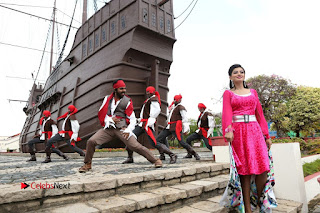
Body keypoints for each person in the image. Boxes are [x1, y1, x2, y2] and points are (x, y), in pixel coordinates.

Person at [220, 64, 276, 212]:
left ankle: (258, 200)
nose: (239, 74)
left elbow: (260, 115)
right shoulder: (228, 94)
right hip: (238, 133)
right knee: (244, 171)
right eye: (236, 72)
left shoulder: (253, 92)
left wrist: (267, 135)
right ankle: (247, 209)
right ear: (230, 77)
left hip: (255, 130)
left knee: (263, 168)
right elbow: (227, 114)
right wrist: (228, 130)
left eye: (242, 72)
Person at [78, 79, 162, 173]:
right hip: (109, 128)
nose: (124, 91)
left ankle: (155, 160)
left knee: (135, 146)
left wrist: (129, 130)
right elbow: (102, 113)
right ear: (115, 89)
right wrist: (109, 120)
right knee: (91, 141)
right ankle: (87, 164)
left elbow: (132, 119)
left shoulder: (127, 101)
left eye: (125, 89)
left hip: (122, 129)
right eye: (121, 89)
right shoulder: (107, 99)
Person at [122, 86, 177, 164]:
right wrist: (140, 119)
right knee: (130, 138)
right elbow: (144, 113)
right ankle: (130, 157)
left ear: (153, 92)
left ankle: (172, 155)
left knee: (154, 143)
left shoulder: (154, 99)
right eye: (147, 92)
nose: (148, 93)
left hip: (147, 124)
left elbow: (157, 110)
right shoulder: (149, 100)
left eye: (149, 92)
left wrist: (151, 119)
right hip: (142, 124)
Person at [157, 94, 200, 160]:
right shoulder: (173, 107)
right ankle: (163, 155)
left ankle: (194, 153)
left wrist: (185, 128)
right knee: (159, 139)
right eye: (174, 99)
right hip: (169, 126)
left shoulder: (181, 107)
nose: (175, 101)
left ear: (180, 100)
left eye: (177, 99)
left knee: (182, 142)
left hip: (176, 127)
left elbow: (185, 118)